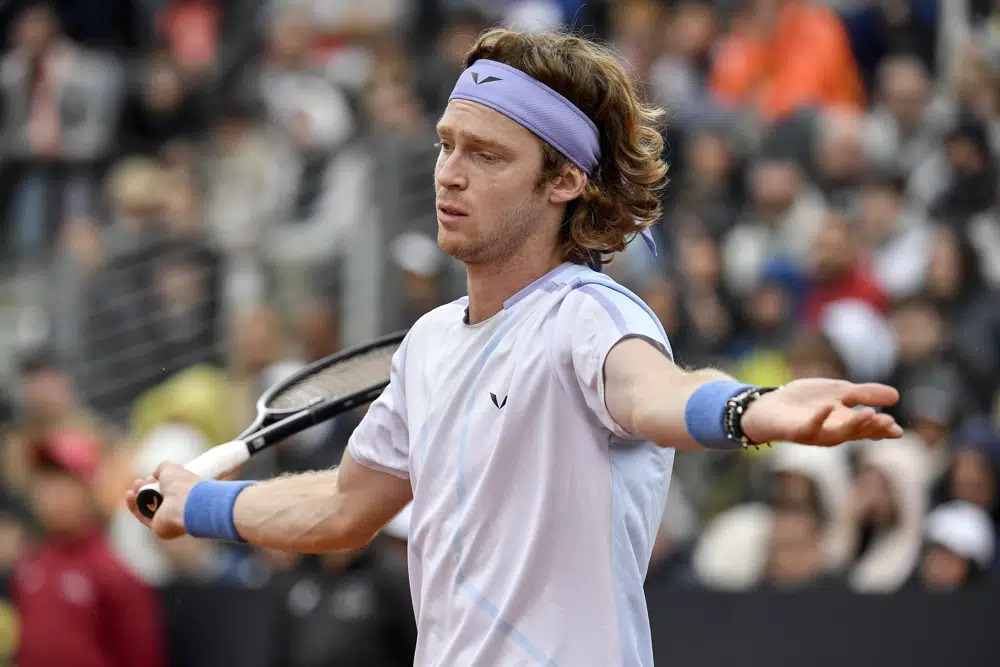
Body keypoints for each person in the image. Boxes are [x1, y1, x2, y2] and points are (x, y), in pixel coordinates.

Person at [127, 28, 902, 667]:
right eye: (446, 145)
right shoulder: (428, 343)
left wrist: (748, 407)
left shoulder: (589, 313)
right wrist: (204, 504)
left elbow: (652, 393)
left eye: (487, 155)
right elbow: (343, 507)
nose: (449, 176)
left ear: (563, 180)